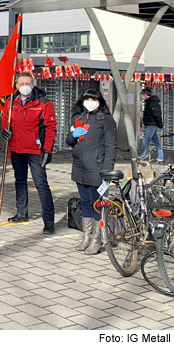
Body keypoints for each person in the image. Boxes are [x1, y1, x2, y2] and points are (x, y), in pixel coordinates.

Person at [1, 72, 58, 235]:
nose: (24, 86)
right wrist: (6, 131)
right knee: (20, 181)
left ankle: (48, 222)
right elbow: (5, 119)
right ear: (16, 86)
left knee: (41, 184)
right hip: (16, 148)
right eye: (21, 83)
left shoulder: (43, 103)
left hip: (35, 150)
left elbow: (50, 128)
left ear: (33, 85)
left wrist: (48, 150)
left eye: (28, 83)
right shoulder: (11, 102)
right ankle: (21, 213)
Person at [66, 88, 117, 255]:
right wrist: (74, 136)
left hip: (97, 167)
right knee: (85, 201)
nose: (90, 102)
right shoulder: (77, 117)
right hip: (79, 166)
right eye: (87, 99)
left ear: (99, 101)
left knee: (97, 204)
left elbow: (111, 146)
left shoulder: (106, 120)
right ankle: (86, 236)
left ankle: (97, 238)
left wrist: (107, 171)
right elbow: (69, 140)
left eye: (93, 99)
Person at [138, 87, 164, 162]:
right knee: (156, 142)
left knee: (146, 140)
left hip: (152, 125)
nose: (142, 96)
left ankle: (142, 155)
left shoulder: (152, 103)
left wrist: (160, 125)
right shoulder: (149, 102)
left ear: (145, 94)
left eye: (142, 94)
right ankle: (161, 157)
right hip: (150, 124)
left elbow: (157, 115)